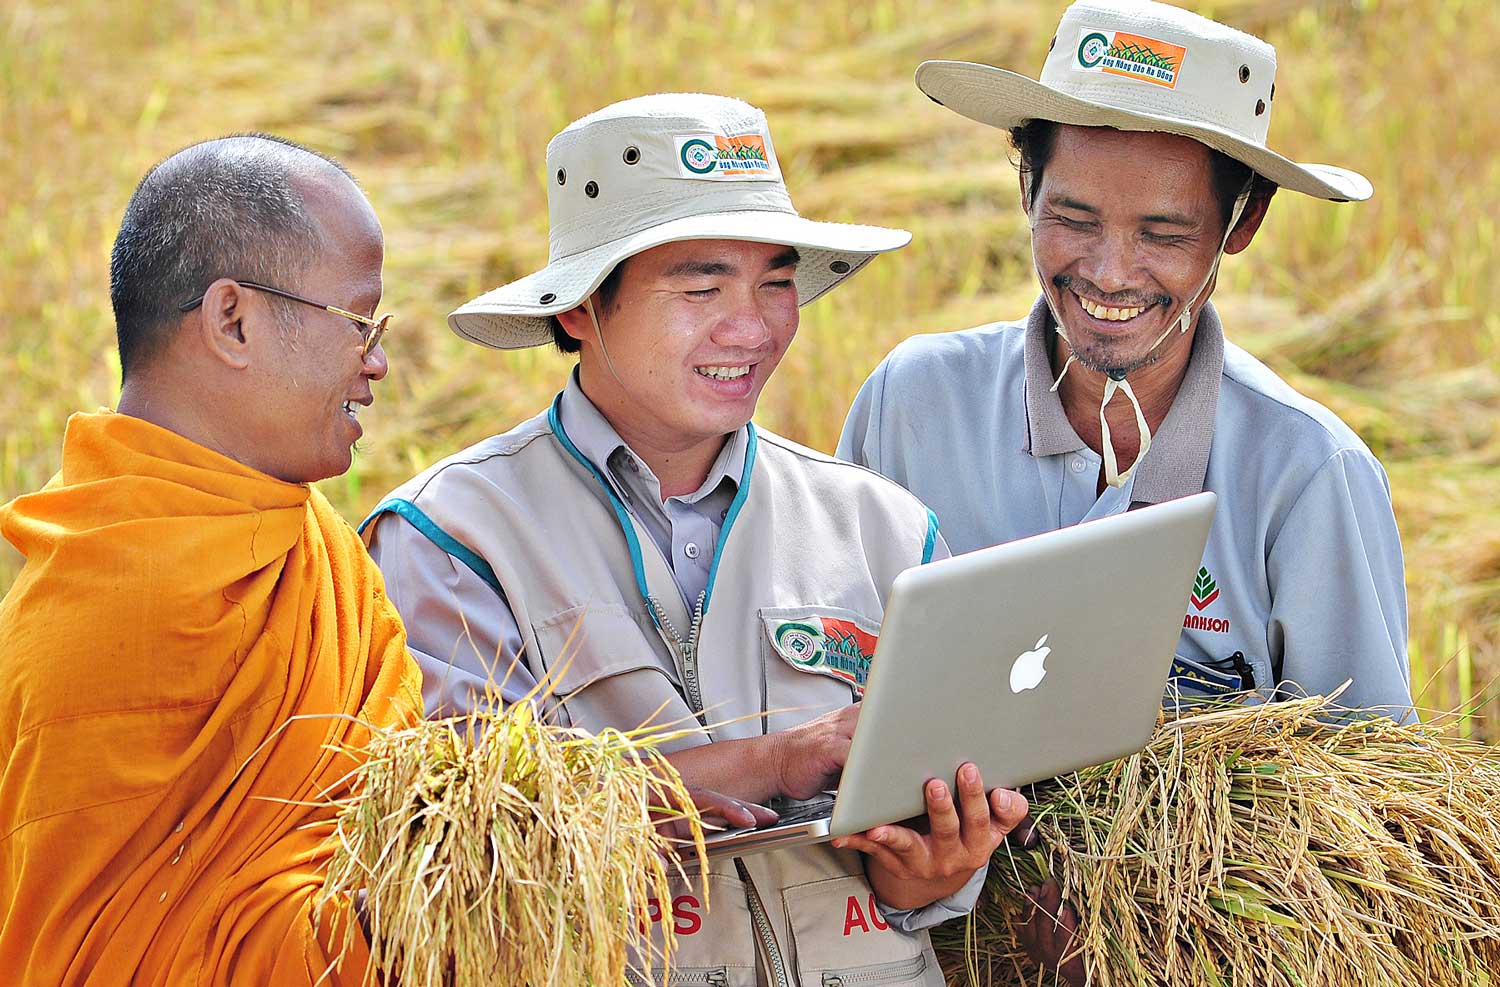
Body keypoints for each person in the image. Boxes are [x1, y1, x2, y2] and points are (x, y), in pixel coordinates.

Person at [364, 93, 1028, 987]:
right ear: (581, 308)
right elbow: (479, 854)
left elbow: (920, 877)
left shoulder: (886, 528)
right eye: (701, 287)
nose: (751, 328)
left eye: (776, 283)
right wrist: (777, 759)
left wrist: (932, 870)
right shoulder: (452, 541)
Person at [836, 0, 1413, 978]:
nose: (1109, 273)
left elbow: (1365, 817)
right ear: (1026, 187)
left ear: (1242, 223)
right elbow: (825, 692)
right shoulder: (913, 404)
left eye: (1163, 232)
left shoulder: (1307, 476)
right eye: (1072, 218)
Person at [0, 135, 424, 986]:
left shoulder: (316, 549)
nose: (377, 362)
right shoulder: (98, 618)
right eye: (360, 324)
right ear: (233, 320)